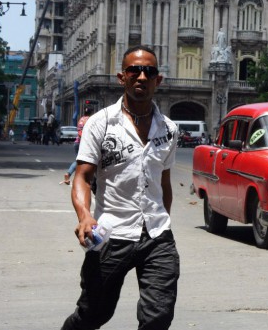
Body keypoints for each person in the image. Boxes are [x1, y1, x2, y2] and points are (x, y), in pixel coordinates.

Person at [61, 45, 180, 330]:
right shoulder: (101, 124)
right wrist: (85, 216)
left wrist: (161, 219)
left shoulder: (169, 129)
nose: (141, 76)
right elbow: (83, 177)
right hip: (112, 234)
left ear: (158, 80)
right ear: (121, 77)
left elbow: (164, 182)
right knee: (94, 313)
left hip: (156, 237)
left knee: (158, 318)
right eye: (134, 70)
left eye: (149, 71)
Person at [61, 106, 94, 185]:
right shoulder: (90, 120)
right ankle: (73, 175)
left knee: (80, 160)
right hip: (84, 143)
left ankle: (71, 175)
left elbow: (79, 131)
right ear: (91, 113)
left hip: (77, 142)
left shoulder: (81, 119)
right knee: (88, 160)